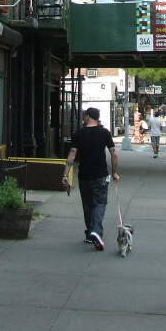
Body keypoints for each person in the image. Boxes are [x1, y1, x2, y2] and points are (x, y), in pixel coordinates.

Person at [62, 107, 120, 250]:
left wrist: (65, 174)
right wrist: (114, 172)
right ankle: (96, 232)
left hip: (84, 176)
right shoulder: (104, 133)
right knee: (100, 203)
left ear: (87, 117)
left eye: (84, 116)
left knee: (87, 205)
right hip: (100, 175)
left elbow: (72, 154)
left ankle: (90, 234)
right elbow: (114, 154)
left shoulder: (79, 134)